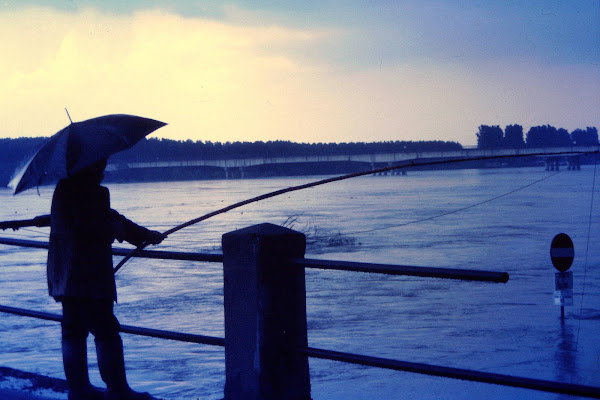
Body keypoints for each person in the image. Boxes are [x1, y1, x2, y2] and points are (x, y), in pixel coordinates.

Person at [46, 158, 164, 400]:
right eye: (100, 165)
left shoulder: (64, 188)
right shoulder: (88, 191)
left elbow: (110, 217)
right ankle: (118, 390)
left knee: (73, 330)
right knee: (106, 330)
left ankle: (78, 390)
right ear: (88, 164)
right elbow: (96, 223)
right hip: (87, 275)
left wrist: (143, 235)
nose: (103, 170)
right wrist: (119, 232)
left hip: (65, 274)